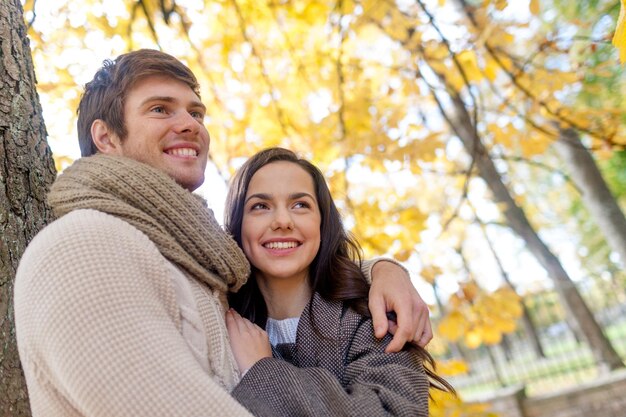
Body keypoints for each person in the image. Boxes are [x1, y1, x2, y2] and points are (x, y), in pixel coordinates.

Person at [13, 49, 432, 416]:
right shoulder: (85, 248)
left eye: (196, 113)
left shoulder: (204, 267)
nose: (189, 124)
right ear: (105, 137)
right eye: (160, 109)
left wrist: (383, 269)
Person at [224, 147, 454, 416]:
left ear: (323, 222)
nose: (283, 221)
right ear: (238, 223)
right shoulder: (218, 319)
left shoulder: (372, 317)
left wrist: (262, 371)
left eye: (300, 205)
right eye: (260, 206)